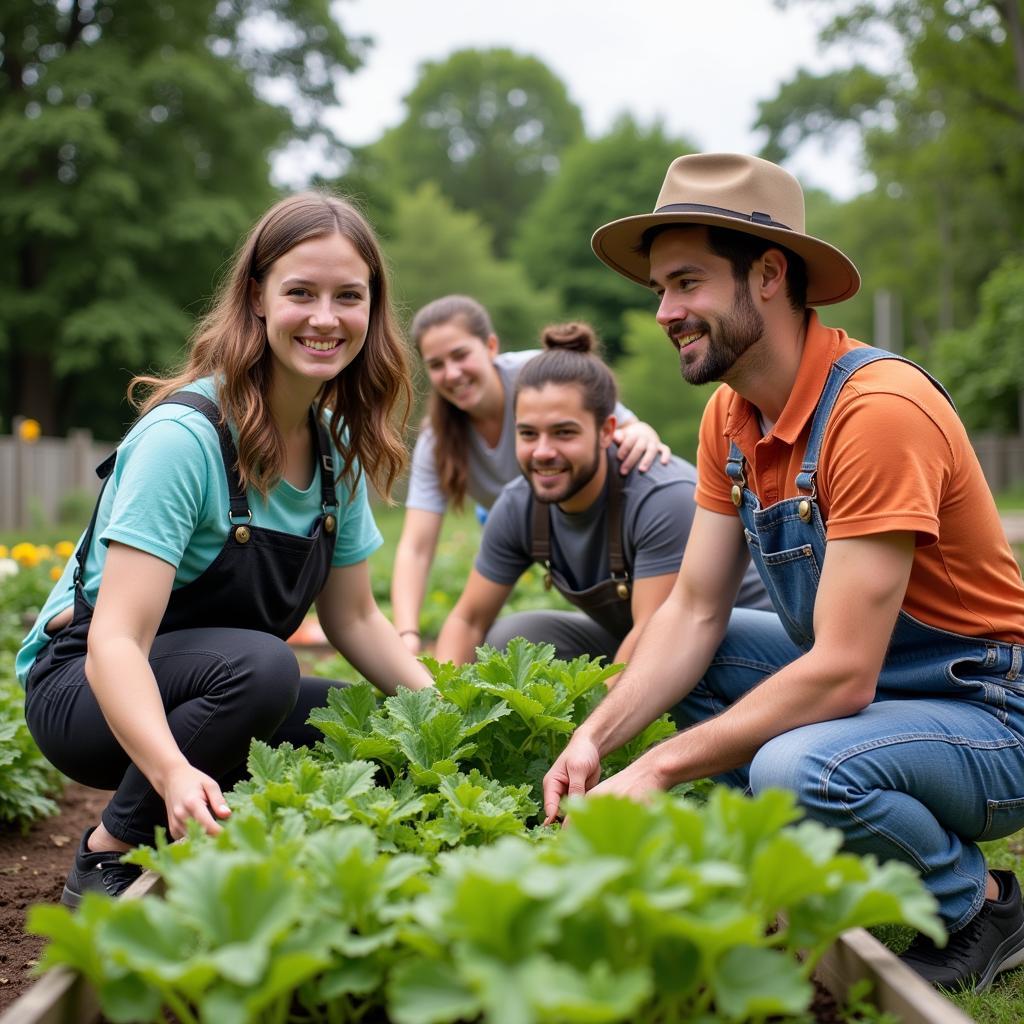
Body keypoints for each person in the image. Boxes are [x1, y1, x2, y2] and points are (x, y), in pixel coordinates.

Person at [541, 152, 1024, 992]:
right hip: (888, 698)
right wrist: (597, 738)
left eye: (687, 283)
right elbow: (692, 610)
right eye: (659, 289)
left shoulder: (876, 414)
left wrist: (655, 768)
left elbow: (839, 674)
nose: (665, 311)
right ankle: (803, 859)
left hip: (990, 710)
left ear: (768, 274)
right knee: (709, 652)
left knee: (800, 768)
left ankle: (980, 905)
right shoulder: (730, 415)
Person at [18, 191, 433, 907]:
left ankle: (228, 838)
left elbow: (357, 619)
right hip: (83, 690)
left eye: (349, 296)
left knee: (370, 738)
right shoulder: (184, 441)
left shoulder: (337, 451)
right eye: (300, 292)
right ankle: (109, 851)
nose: (326, 317)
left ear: (373, 308)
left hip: (212, 685)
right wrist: (173, 772)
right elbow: (116, 641)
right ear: (258, 297)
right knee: (264, 667)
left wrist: (437, 714)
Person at [436, 321, 770, 667]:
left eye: (564, 433)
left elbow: (653, 636)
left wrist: (591, 721)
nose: (543, 452)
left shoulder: (659, 496)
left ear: (606, 431)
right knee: (513, 635)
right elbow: (468, 620)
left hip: (738, 646)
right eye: (528, 434)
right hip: (644, 639)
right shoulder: (518, 504)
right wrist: (441, 701)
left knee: (676, 659)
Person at [391, 294, 671, 654]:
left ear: (490, 345)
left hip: (585, 512)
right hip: (516, 520)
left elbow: (616, 423)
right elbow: (416, 546)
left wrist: (641, 430)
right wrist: (407, 636)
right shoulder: (437, 440)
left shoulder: (538, 377)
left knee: (637, 603)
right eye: (437, 364)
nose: (453, 373)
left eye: (460, 355)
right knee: (494, 623)